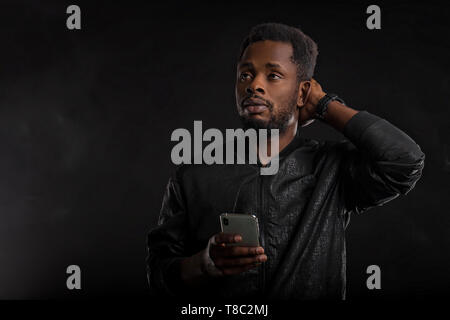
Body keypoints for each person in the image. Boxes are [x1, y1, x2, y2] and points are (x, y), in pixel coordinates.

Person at [146, 22, 425, 300]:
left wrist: (326, 105)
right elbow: (159, 273)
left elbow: (403, 161)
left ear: (302, 93)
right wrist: (204, 265)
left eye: (273, 76)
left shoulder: (332, 168)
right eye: (245, 74)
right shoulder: (194, 175)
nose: (254, 85)